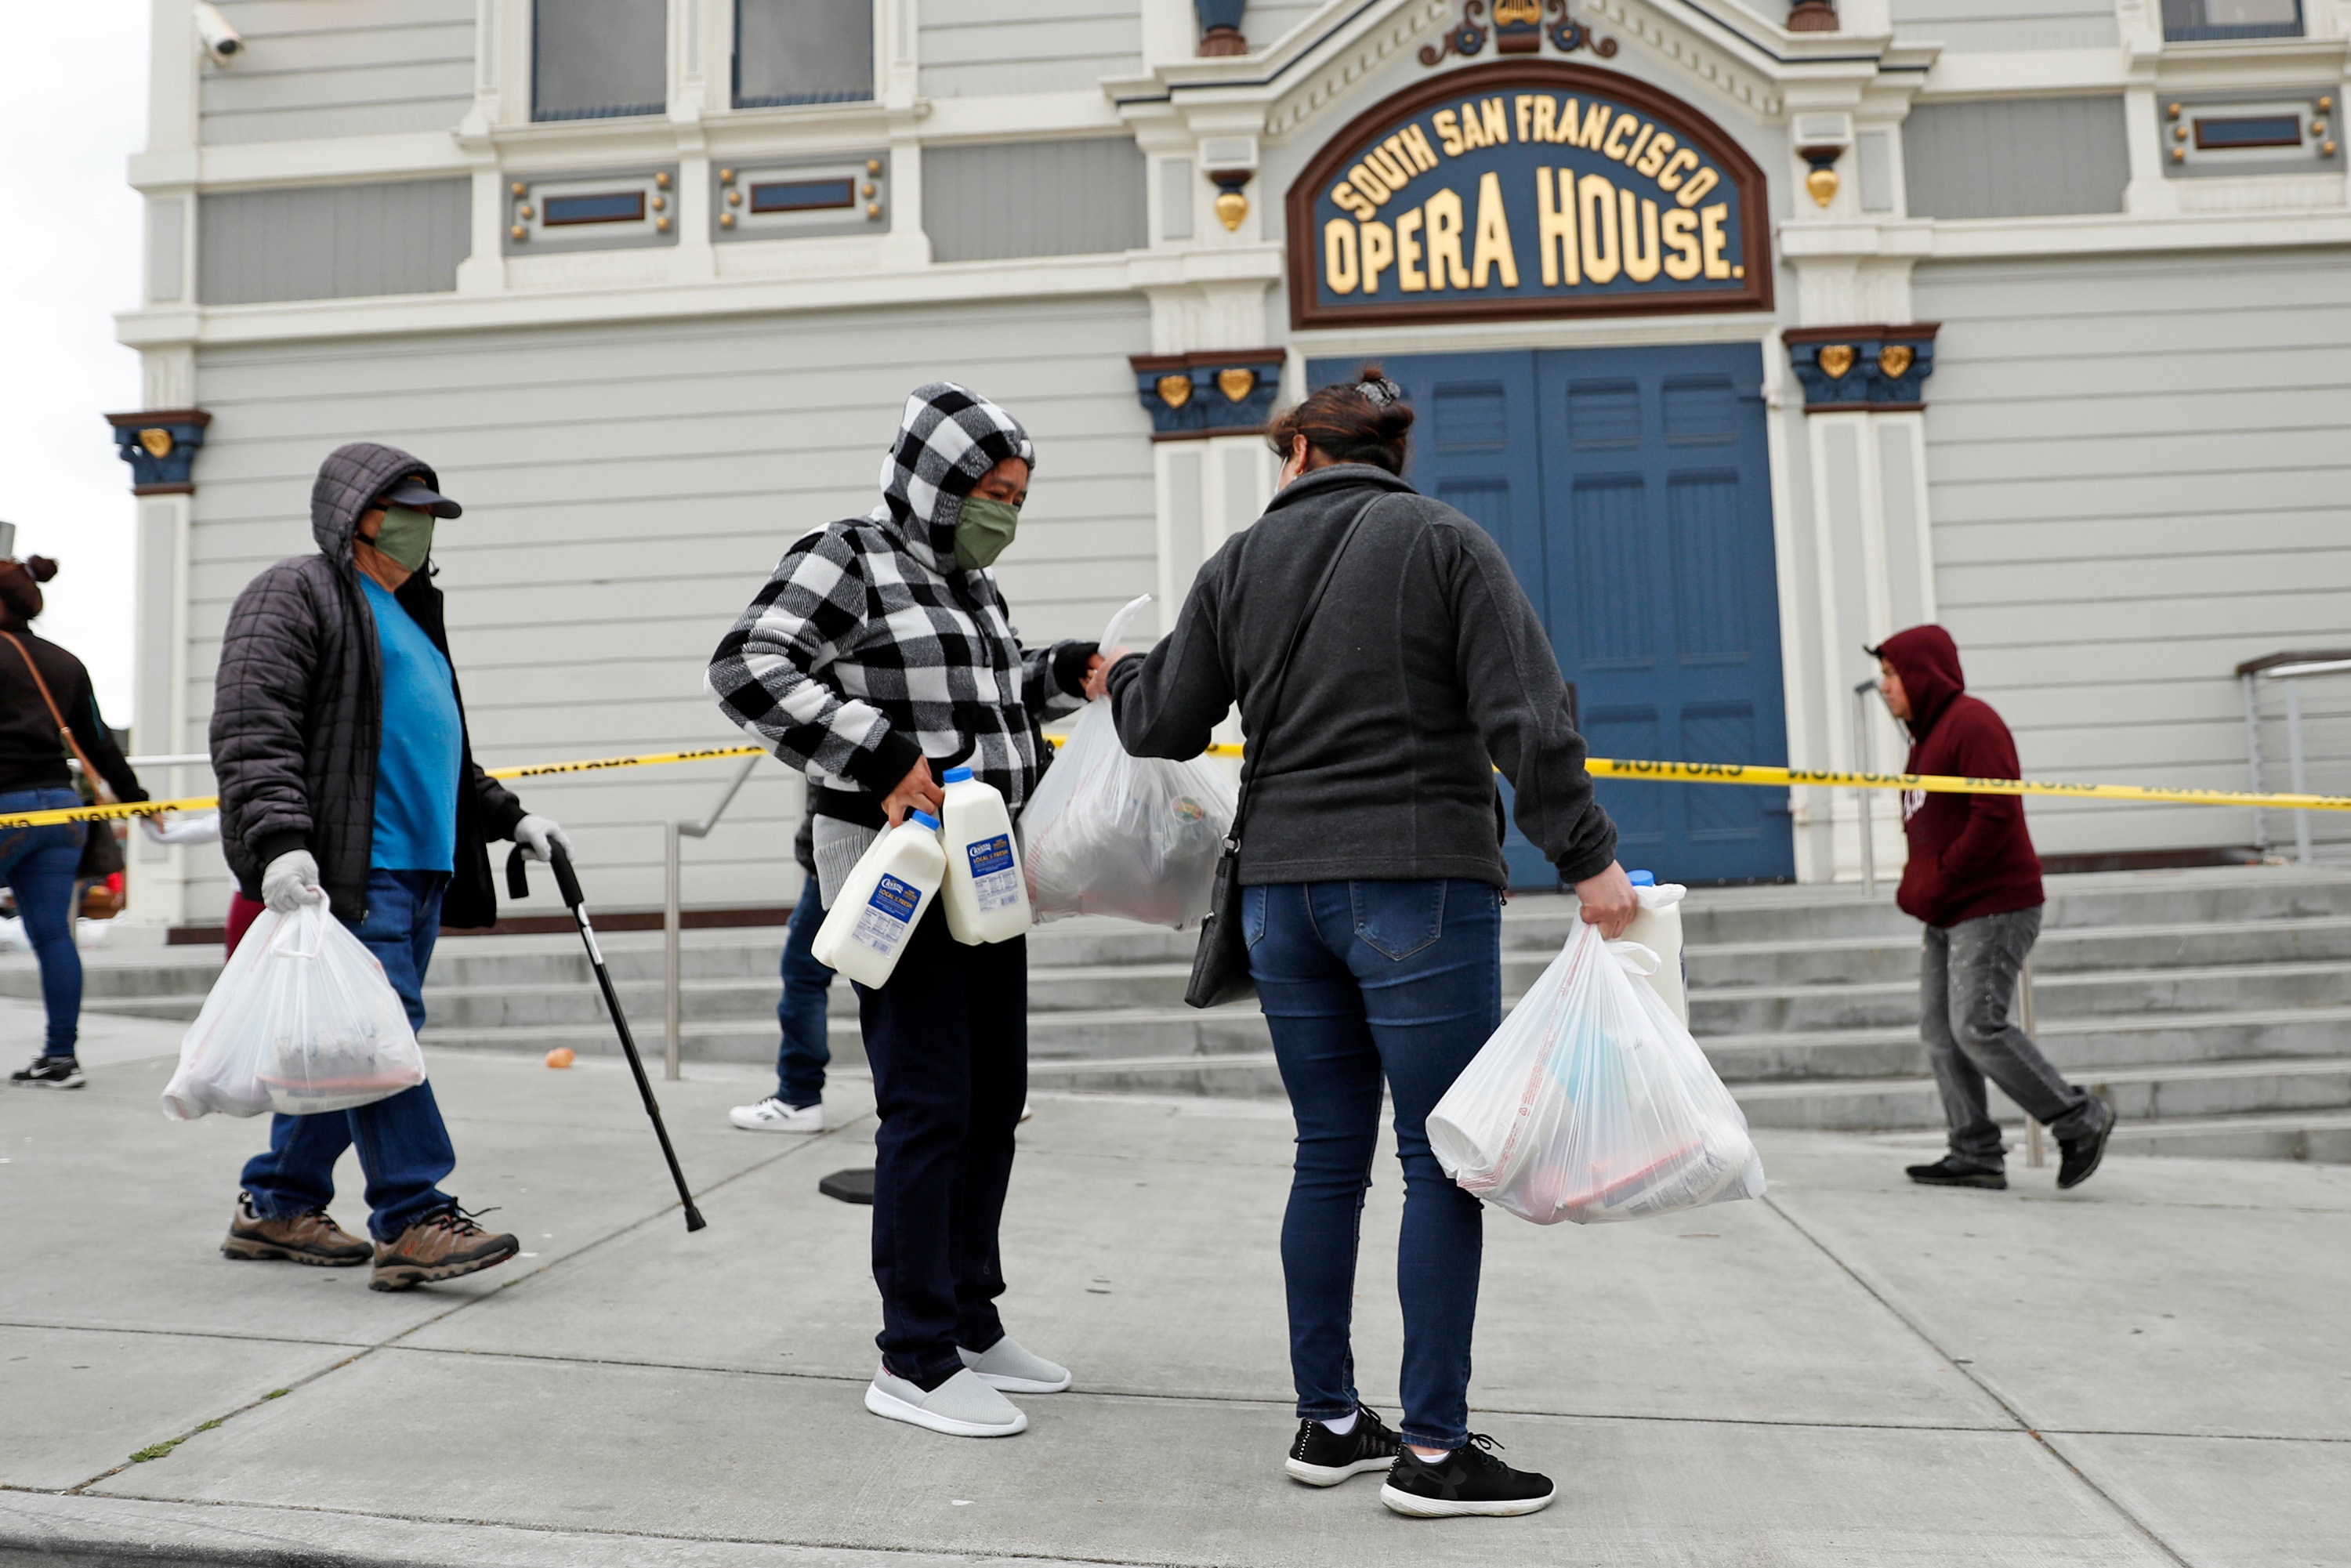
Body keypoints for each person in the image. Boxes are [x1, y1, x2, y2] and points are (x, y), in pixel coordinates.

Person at [1096, 366, 1635, 1520]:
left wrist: (1123, 674)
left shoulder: (1237, 562)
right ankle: (1435, 1450)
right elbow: (1527, 718)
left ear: (1297, 452)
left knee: (1326, 1157)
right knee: (1443, 1158)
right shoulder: (1445, 542)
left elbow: (1161, 720)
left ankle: (1330, 1420)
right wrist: (1587, 857)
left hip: (1280, 898)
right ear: (1389, 454)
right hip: (1416, 886)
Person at [709, 382, 1097, 1439]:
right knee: (928, 1104)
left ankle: (972, 1322)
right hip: (900, 872)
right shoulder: (849, 555)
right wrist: (879, 754)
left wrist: (1074, 671)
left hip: (988, 870)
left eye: (1019, 496)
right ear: (937, 478)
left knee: (993, 1096)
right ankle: (913, 1358)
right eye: (993, 491)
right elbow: (748, 663)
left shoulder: (969, 585)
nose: (1005, 513)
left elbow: (994, 690)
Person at [210, 442, 574, 1291]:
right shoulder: (298, 592)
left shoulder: (411, 614)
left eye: (432, 515)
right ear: (357, 515)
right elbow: (249, 726)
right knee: (379, 1036)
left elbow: (433, 754)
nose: (422, 529)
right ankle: (412, 1217)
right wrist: (278, 839)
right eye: (406, 511)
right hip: (350, 863)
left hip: (419, 868)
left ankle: (275, 1204)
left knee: (353, 1041)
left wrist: (509, 815)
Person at [1873, 625, 2114, 1191]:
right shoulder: (1925, 738)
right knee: (1940, 1031)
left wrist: (1946, 874)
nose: (1884, 686)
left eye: (1891, 673)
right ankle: (1975, 1150)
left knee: (1976, 1025)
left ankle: (2079, 1118)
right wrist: (1924, 882)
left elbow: (1995, 811)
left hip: (1993, 905)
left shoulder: (1973, 722)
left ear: (1922, 674)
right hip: (1949, 908)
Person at [1, 555, 147, 1089]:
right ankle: (61, 1057)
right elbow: (98, 740)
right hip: (63, 812)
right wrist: (134, 796)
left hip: (6, 807)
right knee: (53, 936)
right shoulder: (64, 662)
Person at [730, 809, 835, 1132]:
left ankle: (798, 1097)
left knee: (804, 973)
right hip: (893, 844)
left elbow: (829, 764)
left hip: (847, 850)